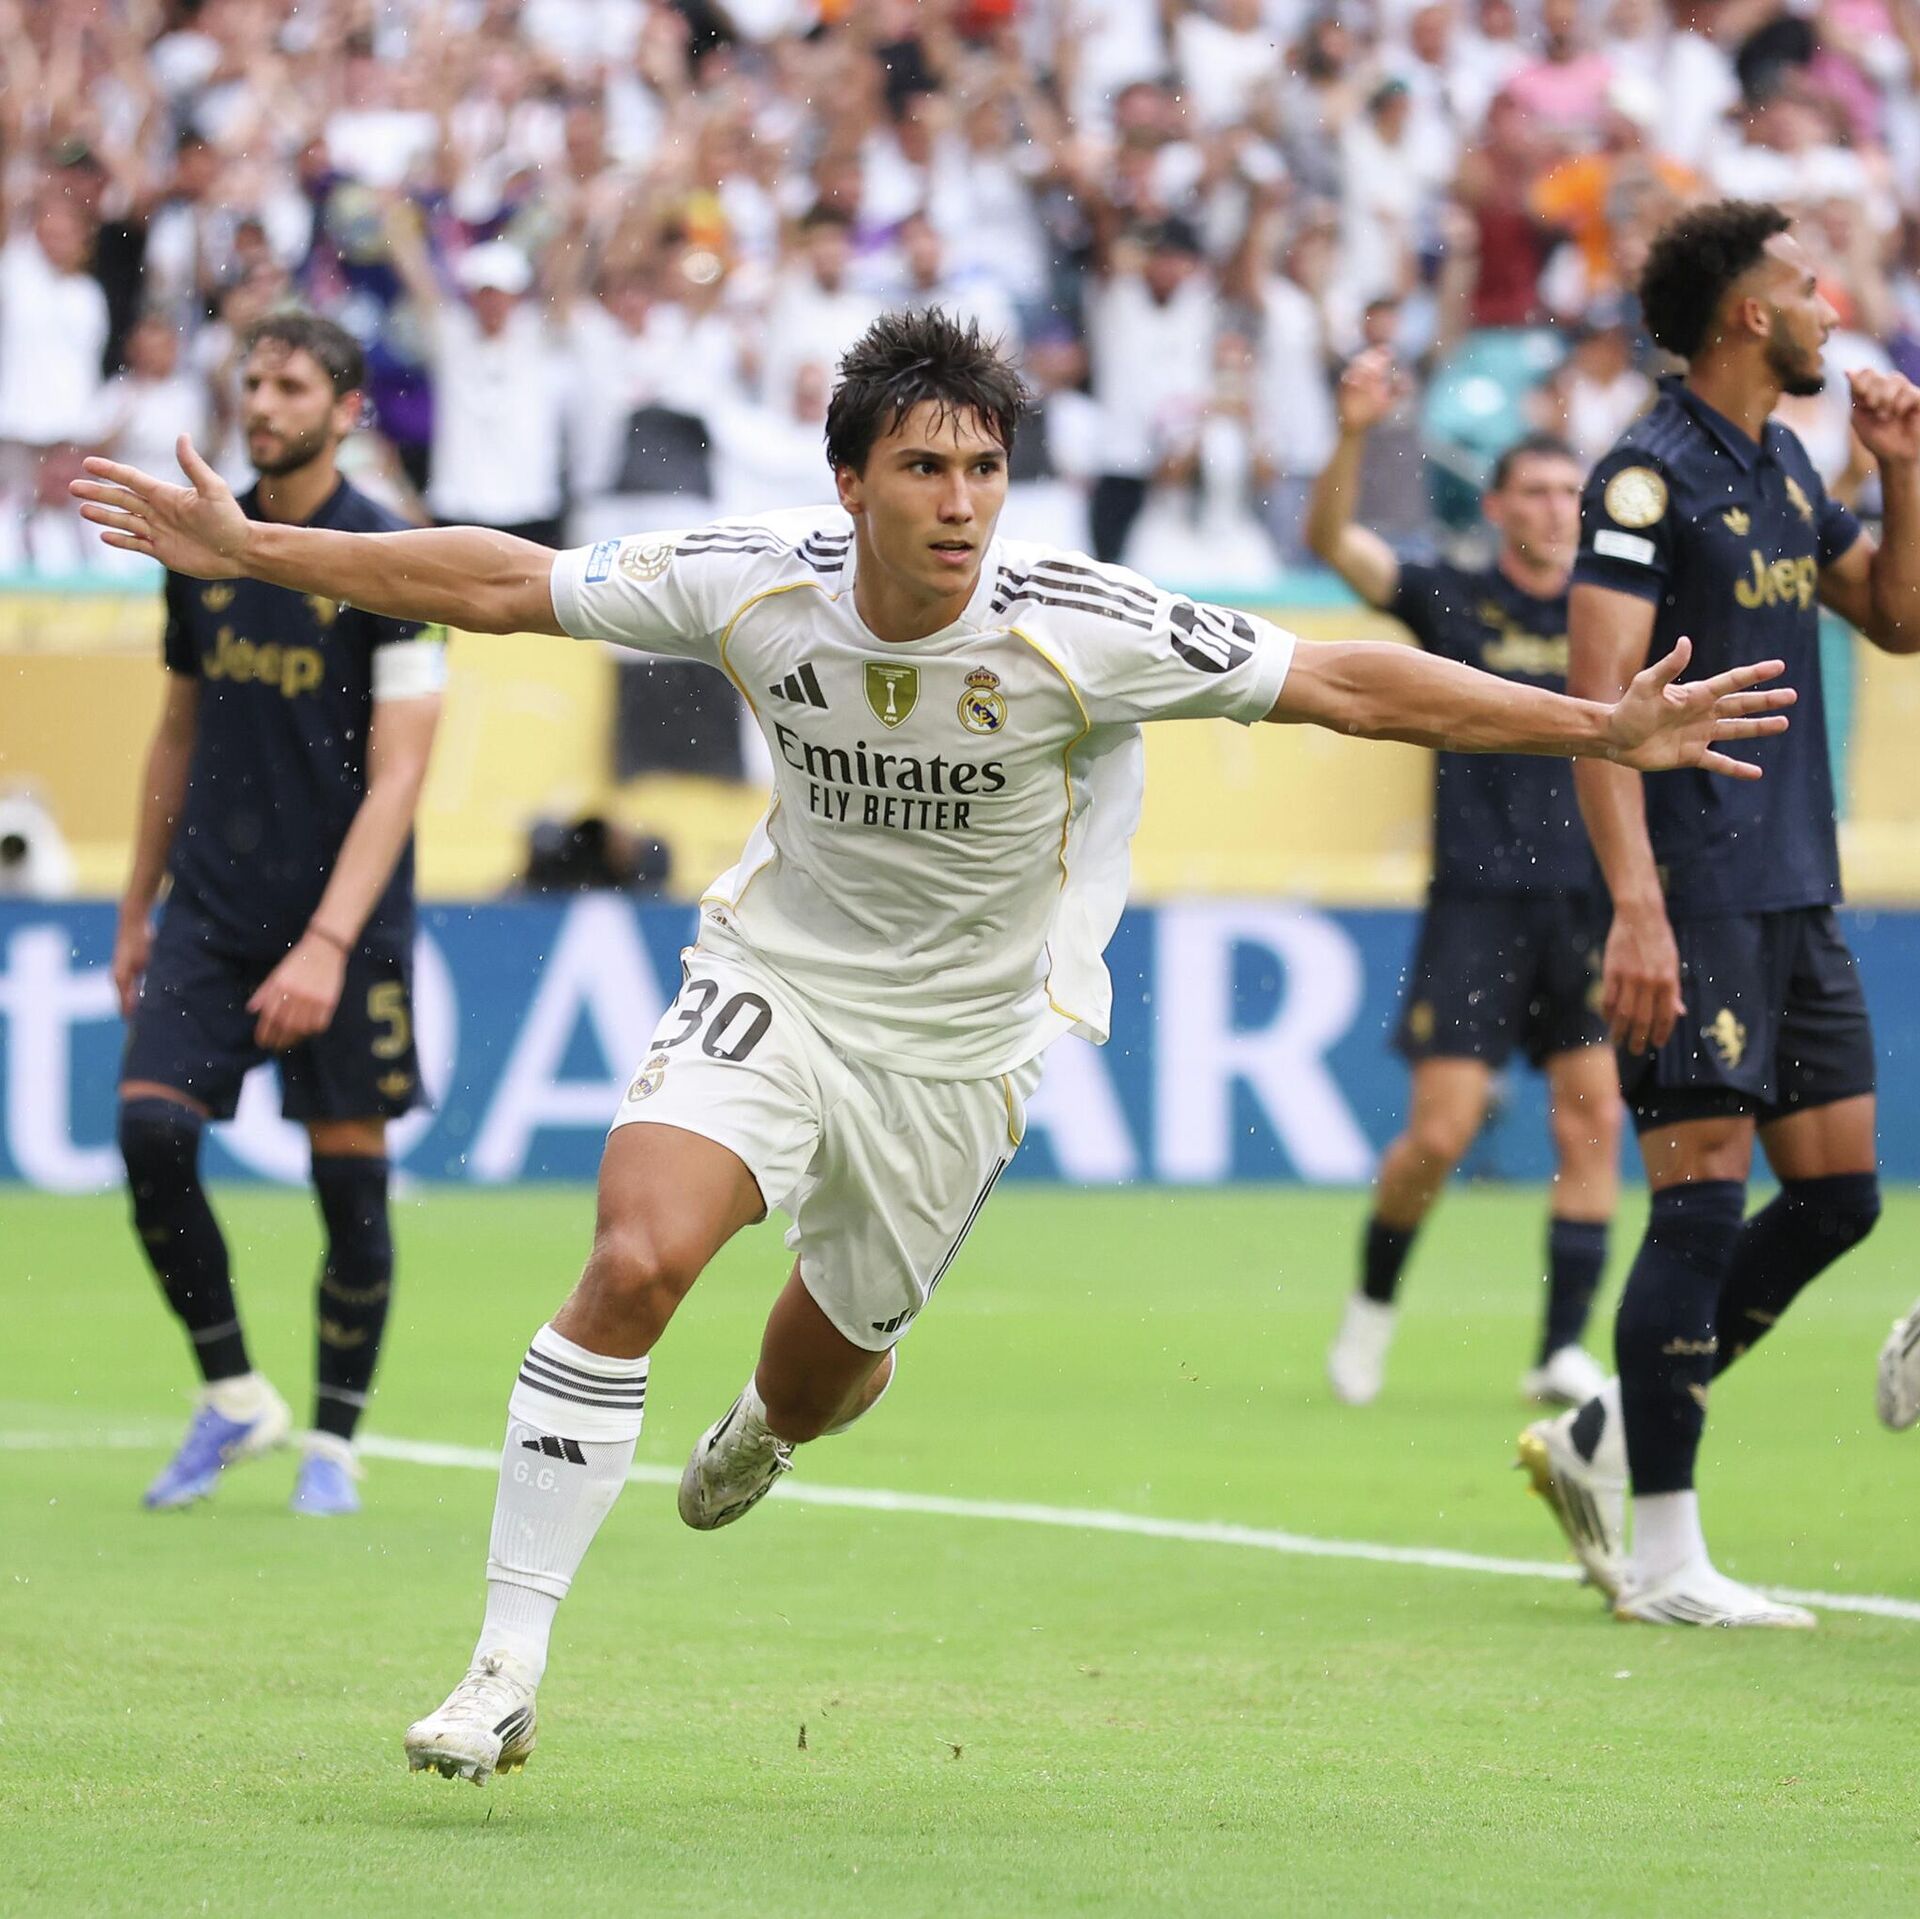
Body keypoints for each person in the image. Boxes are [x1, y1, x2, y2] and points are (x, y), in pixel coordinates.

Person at [75, 308, 1790, 1782]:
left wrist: (1596, 724)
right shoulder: (756, 577)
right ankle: (502, 1667)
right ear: (852, 483)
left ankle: (774, 1418)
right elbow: (504, 582)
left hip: (964, 1050)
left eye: (983, 468)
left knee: (822, 1379)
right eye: (924, 468)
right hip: (777, 977)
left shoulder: (1082, 619)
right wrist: (262, 550)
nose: (961, 501)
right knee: (633, 1258)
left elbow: (1345, 683)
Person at [1516, 201, 1920, 1630]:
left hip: (1795, 886)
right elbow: (1597, 711)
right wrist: (1636, 908)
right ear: (1750, 314)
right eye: (1809, 286)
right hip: (1690, 895)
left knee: (1838, 1195)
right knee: (1696, 1206)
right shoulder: (1646, 477)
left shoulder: (1788, 459)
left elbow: (1899, 617)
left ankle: (1601, 1434)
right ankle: (1667, 1558)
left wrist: (1903, 470)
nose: (1831, 307)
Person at [110, 312, 446, 1519]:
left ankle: (334, 1444)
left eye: (290, 384)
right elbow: (176, 730)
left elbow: (400, 774)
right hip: (209, 908)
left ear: (346, 410)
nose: (261, 402)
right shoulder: (199, 541)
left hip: (342, 922)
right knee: (151, 1132)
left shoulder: (391, 557)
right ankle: (234, 1391)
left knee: (348, 1185)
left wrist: (328, 944)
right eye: (252, 381)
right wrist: (136, 906)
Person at [1310, 350, 1620, 1410]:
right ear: (1495, 506)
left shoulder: (1612, 614)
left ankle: (1559, 1349)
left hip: (1587, 899)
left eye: (1569, 490)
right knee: (1438, 1135)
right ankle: (1370, 1307)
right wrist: (1353, 433)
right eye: (1534, 489)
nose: (1554, 507)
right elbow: (1334, 544)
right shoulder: (1453, 598)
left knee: (1592, 1118)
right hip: (1478, 901)